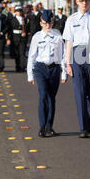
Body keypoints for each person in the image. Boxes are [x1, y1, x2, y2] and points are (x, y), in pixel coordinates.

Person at [63, 0, 90, 138]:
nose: (84, 3)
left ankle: (88, 117)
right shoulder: (71, 19)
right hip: (77, 54)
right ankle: (83, 127)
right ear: (77, 1)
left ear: (89, 2)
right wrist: (67, 63)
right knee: (79, 92)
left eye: (86, 1)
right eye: (82, 1)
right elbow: (69, 42)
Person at [27, 9, 66, 137]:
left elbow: (62, 55)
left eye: (49, 23)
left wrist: (64, 73)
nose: (47, 26)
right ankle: (42, 126)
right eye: (44, 23)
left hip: (54, 68)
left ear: (52, 22)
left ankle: (49, 126)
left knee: (51, 98)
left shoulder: (58, 35)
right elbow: (32, 56)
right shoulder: (37, 37)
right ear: (40, 23)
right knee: (43, 95)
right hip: (40, 68)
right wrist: (30, 74)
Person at [7, 5, 29, 72]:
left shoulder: (24, 19)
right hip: (15, 37)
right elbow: (10, 30)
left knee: (22, 53)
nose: (19, 12)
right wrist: (8, 39)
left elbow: (27, 28)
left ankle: (23, 66)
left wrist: (25, 32)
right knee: (16, 53)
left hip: (22, 38)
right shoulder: (12, 20)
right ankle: (18, 67)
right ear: (15, 12)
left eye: (20, 11)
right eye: (17, 11)